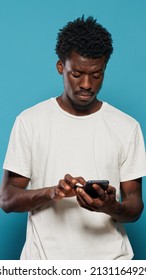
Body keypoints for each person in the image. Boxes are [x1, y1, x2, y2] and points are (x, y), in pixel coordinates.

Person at [0, 16, 146, 260]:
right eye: (76, 73)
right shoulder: (30, 121)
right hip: (43, 267)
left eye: (96, 74)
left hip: (110, 267)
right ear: (61, 67)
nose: (87, 84)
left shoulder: (127, 127)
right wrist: (52, 193)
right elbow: (7, 198)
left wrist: (111, 206)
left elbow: (135, 207)